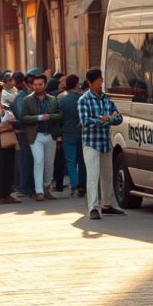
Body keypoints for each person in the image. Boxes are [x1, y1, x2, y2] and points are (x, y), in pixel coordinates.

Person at [78, 68, 125, 220]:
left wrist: (108, 119)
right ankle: (93, 208)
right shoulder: (84, 100)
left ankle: (107, 205)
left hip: (105, 142)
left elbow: (119, 118)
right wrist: (104, 120)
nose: (101, 83)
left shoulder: (106, 99)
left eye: (102, 80)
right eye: (99, 81)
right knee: (93, 176)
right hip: (91, 143)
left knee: (107, 175)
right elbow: (85, 121)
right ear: (90, 82)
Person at [20, 74, 63, 201]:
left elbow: (60, 115)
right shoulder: (27, 100)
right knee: (38, 161)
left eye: (40, 84)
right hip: (36, 135)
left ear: (45, 85)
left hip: (50, 134)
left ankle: (46, 187)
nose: (37, 87)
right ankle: (39, 191)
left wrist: (49, 116)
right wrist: (38, 117)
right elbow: (23, 118)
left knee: (49, 163)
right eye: (35, 85)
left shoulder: (53, 99)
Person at [59, 75, 86, 197]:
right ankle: (82, 186)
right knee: (82, 161)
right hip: (82, 133)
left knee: (71, 161)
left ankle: (74, 185)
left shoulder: (62, 100)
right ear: (76, 84)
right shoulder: (83, 99)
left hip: (67, 134)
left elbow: (59, 118)